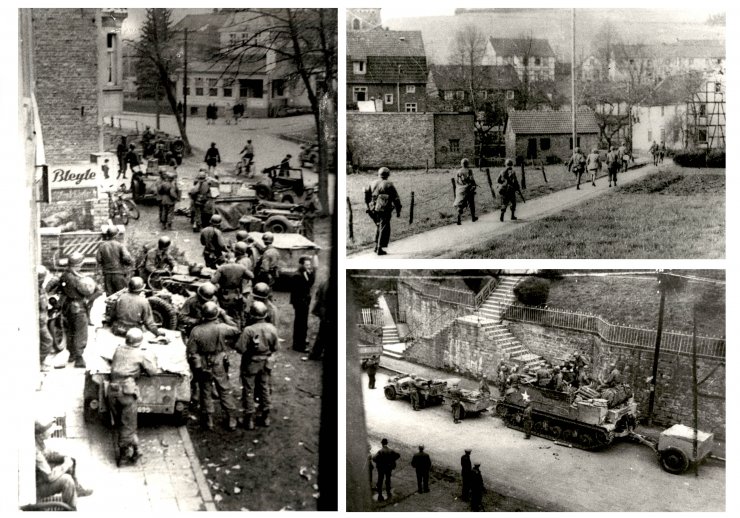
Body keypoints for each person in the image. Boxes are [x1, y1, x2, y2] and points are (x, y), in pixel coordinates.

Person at [187, 301, 241, 431]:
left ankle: (209, 420)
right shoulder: (222, 328)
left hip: (204, 362)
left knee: (205, 391)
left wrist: (198, 367)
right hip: (219, 360)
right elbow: (236, 329)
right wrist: (224, 315)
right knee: (224, 388)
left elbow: (192, 352)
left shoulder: (196, 331)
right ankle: (231, 418)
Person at [109, 328, 159, 464]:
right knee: (128, 425)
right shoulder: (140, 354)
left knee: (120, 422)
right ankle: (124, 456)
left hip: (112, 391)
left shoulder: (118, 349)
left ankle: (137, 450)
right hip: (127, 392)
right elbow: (152, 372)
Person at [235, 301, 279, 430]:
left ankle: (249, 419)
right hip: (266, 363)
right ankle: (265, 416)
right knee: (264, 388)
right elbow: (276, 347)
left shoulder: (249, 330)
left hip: (250, 363)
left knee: (248, 389)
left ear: (252, 316)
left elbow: (240, 348)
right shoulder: (272, 328)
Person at [35, 416, 93, 509]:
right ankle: (70, 509)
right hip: (38, 487)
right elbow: (49, 477)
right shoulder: (35, 451)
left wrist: (63, 457)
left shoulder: (38, 440)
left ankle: (76, 489)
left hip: (40, 476)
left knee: (70, 459)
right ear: (41, 434)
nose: (52, 431)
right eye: (48, 429)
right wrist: (64, 465)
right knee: (67, 480)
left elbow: (47, 453)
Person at [60, 252, 97, 368]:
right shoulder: (79, 280)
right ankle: (79, 358)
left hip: (67, 307)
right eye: (80, 264)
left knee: (70, 331)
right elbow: (91, 291)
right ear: (77, 264)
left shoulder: (64, 275)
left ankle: (72, 354)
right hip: (78, 308)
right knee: (80, 333)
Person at [364, 167, 402, 255]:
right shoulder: (389, 184)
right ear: (388, 175)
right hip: (384, 209)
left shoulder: (372, 183)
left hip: (372, 209)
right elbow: (396, 199)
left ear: (379, 174)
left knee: (379, 226)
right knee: (384, 228)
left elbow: (367, 196)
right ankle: (379, 249)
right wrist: (398, 209)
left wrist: (368, 207)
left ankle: (376, 246)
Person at [210, 252, 254, 326]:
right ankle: (238, 327)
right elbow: (251, 276)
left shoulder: (222, 268)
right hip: (237, 295)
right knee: (237, 313)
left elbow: (213, 281)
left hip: (225, 295)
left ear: (226, 259)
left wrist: (212, 276)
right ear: (235, 258)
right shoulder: (241, 267)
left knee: (225, 314)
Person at [96, 225, 133, 295]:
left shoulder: (102, 246)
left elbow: (99, 259)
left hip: (107, 274)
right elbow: (127, 258)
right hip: (119, 274)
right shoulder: (120, 245)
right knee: (122, 294)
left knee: (110, 296)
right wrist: (127, 264)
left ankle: (110, 306)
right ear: (116, 235)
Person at [290, 256, 315, 352]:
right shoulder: (297, 275)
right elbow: (299, 291)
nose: (309, 267)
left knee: (303, 323)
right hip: (300, 302)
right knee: (300, 323)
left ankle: (302, 341)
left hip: (304, 302)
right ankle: (298, 345)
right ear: (301, 265)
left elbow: (310, 283)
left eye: (309, 265)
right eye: (306, 265)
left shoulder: (305, 273)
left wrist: (311, 273)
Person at [308, 277, 330, 361]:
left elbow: (317, 295)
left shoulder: (324, 281)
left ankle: (315, 354)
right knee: (324, 334)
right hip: (327, 312)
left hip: (323, 311)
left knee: (322, 334)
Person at [37, 266, 54, 372]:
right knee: (48, 341)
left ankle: (41, 362)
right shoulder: (37, 290)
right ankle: (40, 362)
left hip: (43, 318)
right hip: (40, 321)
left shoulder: (40, 288)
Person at [453, 158, 478, 225]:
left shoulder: (458, 171)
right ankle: (473, 217)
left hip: (460, 189)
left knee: (461, 204)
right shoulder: (469, 170)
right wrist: (474, 185)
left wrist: (460, 187)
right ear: (467, 164)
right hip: (468, 189)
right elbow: (472, 179)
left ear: (461, 164)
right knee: (471, 203)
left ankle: (459, 216)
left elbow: (457, 181)